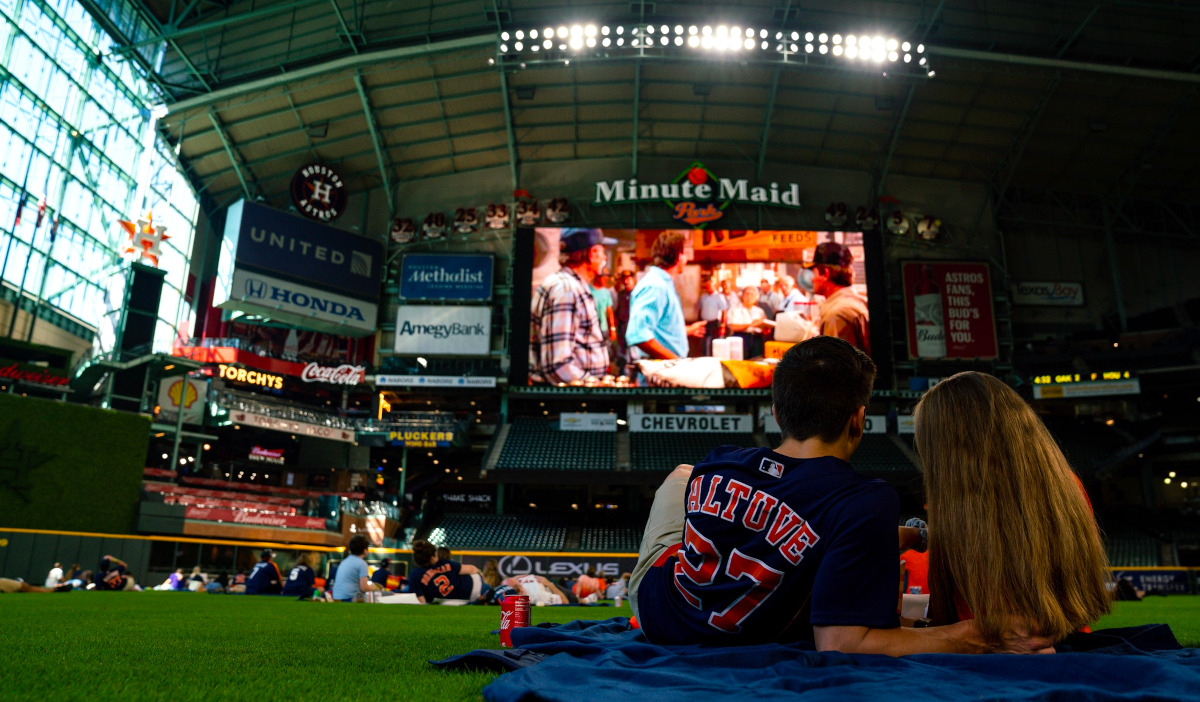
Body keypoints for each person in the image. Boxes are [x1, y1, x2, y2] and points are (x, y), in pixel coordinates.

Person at [628, 337, 1054, 655]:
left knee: (682, 476)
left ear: (778, 412)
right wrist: (980, 634)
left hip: (656, 605)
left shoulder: (720, 462)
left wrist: (913, 536)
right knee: (819, 542)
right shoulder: (863, 500)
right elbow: (842, 644)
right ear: (858, 419)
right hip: (740, 608)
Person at [914, 371, 1112, 643]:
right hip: (1071, 642)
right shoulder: (1065, 484)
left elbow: (990, 627)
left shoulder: (969, 505)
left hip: (996, 659)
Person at [529, 228, 616, 384]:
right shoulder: (567, 290)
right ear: (592, 254)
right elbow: (558, 365)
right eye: (602, 251)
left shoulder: (570, 285)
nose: (604, 257)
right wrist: (595, 386)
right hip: (572, 396)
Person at [626, 231, 707, 360]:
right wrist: (677, 362)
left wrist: (688, 330)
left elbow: (659, 328)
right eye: (685, 253)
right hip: (659, 370)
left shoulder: (663, 283)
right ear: (678, 256)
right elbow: (638, 334)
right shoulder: (655, 286)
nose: (687, 259)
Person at [806, 242, 870, 355]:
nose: (812, 279)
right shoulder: (858, 302)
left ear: (825, 274)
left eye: (814, 273)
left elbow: (837, 369)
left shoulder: (836, 314)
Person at [406, 539, 488, 603]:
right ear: (432, 557)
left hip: (465, 596)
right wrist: (481, 573)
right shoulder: (444, 563)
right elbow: (472, 569)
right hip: (475, 586)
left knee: (406, 588)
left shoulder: (415, 574)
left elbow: (421, 601)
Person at [332, 535, 378, 602]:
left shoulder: (345, 561)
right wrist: (375, 587)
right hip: (349, 599)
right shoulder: (362, 563)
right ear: (365, 550)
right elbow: (364, 588)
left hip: (337, 598)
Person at [727, 286, 769, 358]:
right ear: (742, 296)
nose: (749, 296)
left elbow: (764, 327)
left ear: (756, 298)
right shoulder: (734, 310)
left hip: (757, 339)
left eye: (752, 294)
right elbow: (732, 327)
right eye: (747, 294)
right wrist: (750, 325)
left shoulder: (759, 311)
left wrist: (766, 329)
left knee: (756, 361)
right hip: (741, 338)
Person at [697, 277, 728, 355]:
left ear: (713, 285)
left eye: (710, 284)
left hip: (714, 323)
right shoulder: (703, 297)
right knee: (704, 344)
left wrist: (723, 326)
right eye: (706, 284)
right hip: (704, 323)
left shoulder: (719, 296)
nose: (708, 286)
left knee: (715, 344)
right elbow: (700, 309)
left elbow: (724, 311)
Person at [591, 273, 617, 346]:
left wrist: (612, 328)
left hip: (603, 327)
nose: (606, 280)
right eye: (604, 278)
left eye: (607, 278)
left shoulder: (606, 292)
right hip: (591, 328)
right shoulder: (588, 290)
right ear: (597, 277)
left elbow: (609, 311)